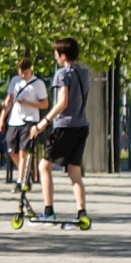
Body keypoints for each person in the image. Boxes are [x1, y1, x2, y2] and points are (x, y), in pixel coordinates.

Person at [41, 38, 92, 223]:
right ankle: (82, 213)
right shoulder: (84, 72)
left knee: (44, 166)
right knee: (74, 171)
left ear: (63, 55)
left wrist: (44, 122)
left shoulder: (62, 74)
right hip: (81, 125)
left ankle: (48, 210)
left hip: (65, 126)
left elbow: (62, 102)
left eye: (56, 53)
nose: (55, 56)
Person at [2, 60, 49, 199]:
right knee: (11, 150)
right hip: (14, 120)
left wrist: (27, 102)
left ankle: (20, 181)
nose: (22, 74)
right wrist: (2, 117)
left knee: (23, 151)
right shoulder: (15, 81)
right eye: (20, 72)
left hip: (29, 120)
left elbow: (45, 104)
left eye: (25, 72)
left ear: (31, 70)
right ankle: (25, 174)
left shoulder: (38, 84)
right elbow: (9, 99)